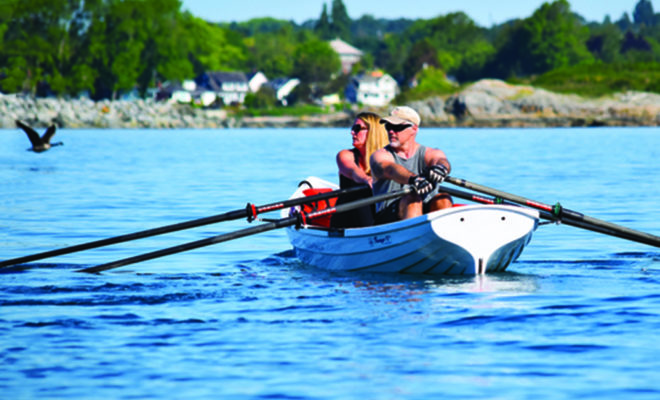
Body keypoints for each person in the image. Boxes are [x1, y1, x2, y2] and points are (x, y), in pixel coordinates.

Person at [370, 106, 453, 224]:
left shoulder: (430, 153)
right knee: (413, 199)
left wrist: (441, 168)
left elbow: (440, 160)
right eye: (388, 126)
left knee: (443, 198)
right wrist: (413, 179)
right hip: (388, 217)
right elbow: (391, 169)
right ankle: (417, 237)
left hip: (424, 209)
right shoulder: (380, 156)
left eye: (397, 127)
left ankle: (441, 236)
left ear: (414, 129)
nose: (391, 131)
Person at [330, 111, 389, 228]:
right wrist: (367, 179)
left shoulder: (388, 156)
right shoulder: (345, 155)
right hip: (347, 218)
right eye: (352, 128)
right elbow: (352, 171)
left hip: (377, 214)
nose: (352, 132)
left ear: (373, 132)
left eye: (357, 128)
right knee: (361, 196)